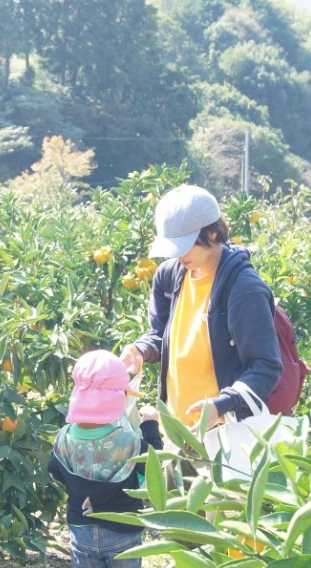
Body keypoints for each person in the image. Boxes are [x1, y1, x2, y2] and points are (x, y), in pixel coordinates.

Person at [119, 184, 281, 429]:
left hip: (223, 435)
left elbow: (266, 366)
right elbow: (159, 334)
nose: (178, 255)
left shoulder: (243, 289)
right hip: (172, 430)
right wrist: (141, 350)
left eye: (186, 244)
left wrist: (223, 404)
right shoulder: (170, 275)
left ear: (213, 233)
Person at [47, 349, 164, 568]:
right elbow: (150, 466)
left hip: (82, 528)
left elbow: (54, 469)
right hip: (124, 530)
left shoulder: (65, 436)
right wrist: (151, 426)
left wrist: (81, 488)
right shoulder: (128, 440)